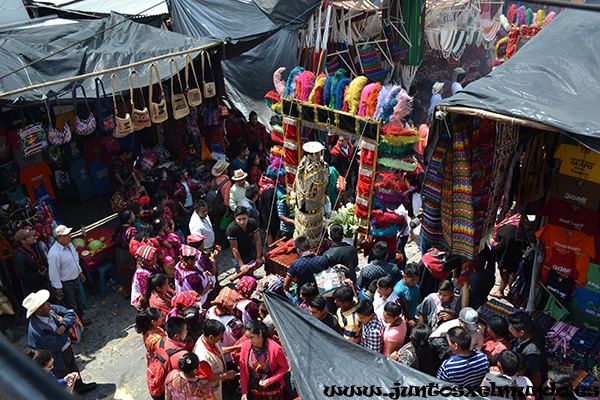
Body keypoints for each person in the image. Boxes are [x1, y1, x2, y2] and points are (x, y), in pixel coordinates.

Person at [24, 289, 96, 394]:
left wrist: (63, 326)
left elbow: (70, 314)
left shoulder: (50, 309)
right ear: (38, 311)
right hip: (55, 357)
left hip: (66, 349)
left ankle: (80, 387)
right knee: (62, 378)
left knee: (73, 367)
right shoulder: (37, 330)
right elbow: (57, 344)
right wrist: (67, 331)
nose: (49, 304)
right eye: (45, 304)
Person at [239, 320, 289, 400]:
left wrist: (270, 380)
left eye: (251, 337)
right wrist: (244, 392)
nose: (249, 341)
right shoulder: (246, 346)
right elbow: (243, 370)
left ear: (260, 332)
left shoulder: (275, 348)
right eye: (247, 337)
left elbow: (285, 367)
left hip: (272, 389)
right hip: (253, 389)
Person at [47, 225, 88, 323]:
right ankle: (75, 325)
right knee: (71, 306)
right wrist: (58, 289)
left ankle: (81, 321)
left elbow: (75, 260)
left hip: (75, 279)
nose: (69, 236)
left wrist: (80, 272)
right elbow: (54, 273)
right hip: (66, 284)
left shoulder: (70, 245)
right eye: (66, 235)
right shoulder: (54, 254)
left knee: (78, 302)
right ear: (59, 238)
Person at [193, 320, 237, 400]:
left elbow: (219, 351)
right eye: (220, 337)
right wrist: (226, 376)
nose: (221, 339)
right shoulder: (202, 357)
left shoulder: (209, 340)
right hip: (211, 392)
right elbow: (205, 379)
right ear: (211, 337)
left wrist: (237, 347)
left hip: (220, 384)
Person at [151, 317, 190, 400]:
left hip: (159, 385)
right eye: (185, 330)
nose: (187, 332)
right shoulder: (181, 355)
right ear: (176, 336)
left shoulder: (161, 341)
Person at [508, 311, 548, 388]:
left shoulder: (531, 354)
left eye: (512, 330)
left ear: (522, 333)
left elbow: (536, 376)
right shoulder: (532, 329)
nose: (509, 330)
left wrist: (534, 390)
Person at [206, 287, 244, 363]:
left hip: (216, 354)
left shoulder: (210, 311)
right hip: (231, 355)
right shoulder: (234, 322)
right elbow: (241, 337)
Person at [227, 206, 263, 274]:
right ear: (235, 218)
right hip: (239, 257)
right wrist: (241, 265)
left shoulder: (252, 223)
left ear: (248, 216)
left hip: (250, 253)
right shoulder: (231, 229)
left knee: (250, 273)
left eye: (244, 219)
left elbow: (257, 240)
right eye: (239, 219)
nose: (242, 222)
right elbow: (234, 248)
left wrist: (258, 257)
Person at [13, 228, 48, 297]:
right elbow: (21, 274)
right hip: (32, 287)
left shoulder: (34, 247)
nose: (33, 238)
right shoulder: (19, 256)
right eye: (29, 237)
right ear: (23, 241)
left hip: (42, 282)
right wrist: (38, 276)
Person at [187, 236, 219, 305]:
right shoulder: (201, 258)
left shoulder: (189, 256)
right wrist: (213, 260)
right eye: (202, 246)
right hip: (207, 289)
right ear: (198, 248)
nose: (204, 248)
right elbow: (213, 272)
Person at [114, 209, 138, 296]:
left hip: (119, 253)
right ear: (129, 220)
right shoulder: (132, 231)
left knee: (123, 274)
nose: (134, 216)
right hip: (128, 254)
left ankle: (127, 293)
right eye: (132, 216)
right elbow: (135, 244)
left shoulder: (119, 229)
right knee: (132, 273)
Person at [131, 244, 162, 309]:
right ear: (145, 261)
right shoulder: (143, 275)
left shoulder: (153, 265)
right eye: (152, 259)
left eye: (155, 257)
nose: (155, 259)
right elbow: (144, 295)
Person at [393, 262, 420, 328]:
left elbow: (418, 294)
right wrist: (408, 321)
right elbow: (395, 311)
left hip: (412, 318)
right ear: (405, 276)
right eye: (413, 280)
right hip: (403, 324)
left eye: (417, 279)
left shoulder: (414, 284)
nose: (415, 282)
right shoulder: (398, 291)